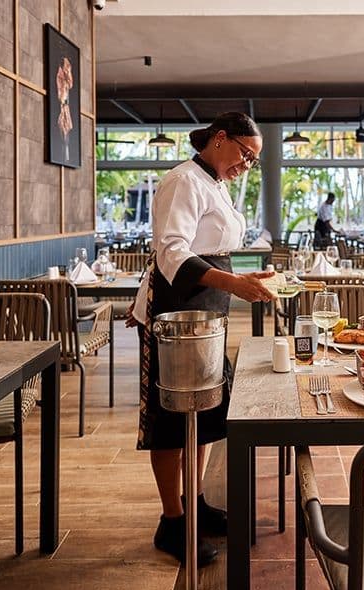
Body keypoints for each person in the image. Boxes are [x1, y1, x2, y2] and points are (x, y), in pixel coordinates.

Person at [126, 112, 276, 566]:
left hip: (208, 310)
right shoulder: (183, 180)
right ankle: (171, 521)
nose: (246, 165)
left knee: (206, 407)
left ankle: (195, 501)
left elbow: (215, 249)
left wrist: (242, 277)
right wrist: (234, 284)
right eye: (244, 154)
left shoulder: (216, 183)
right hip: (175, 308)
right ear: (219, 138)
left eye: (253, 161)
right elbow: (173, 251)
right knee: (171, 416)